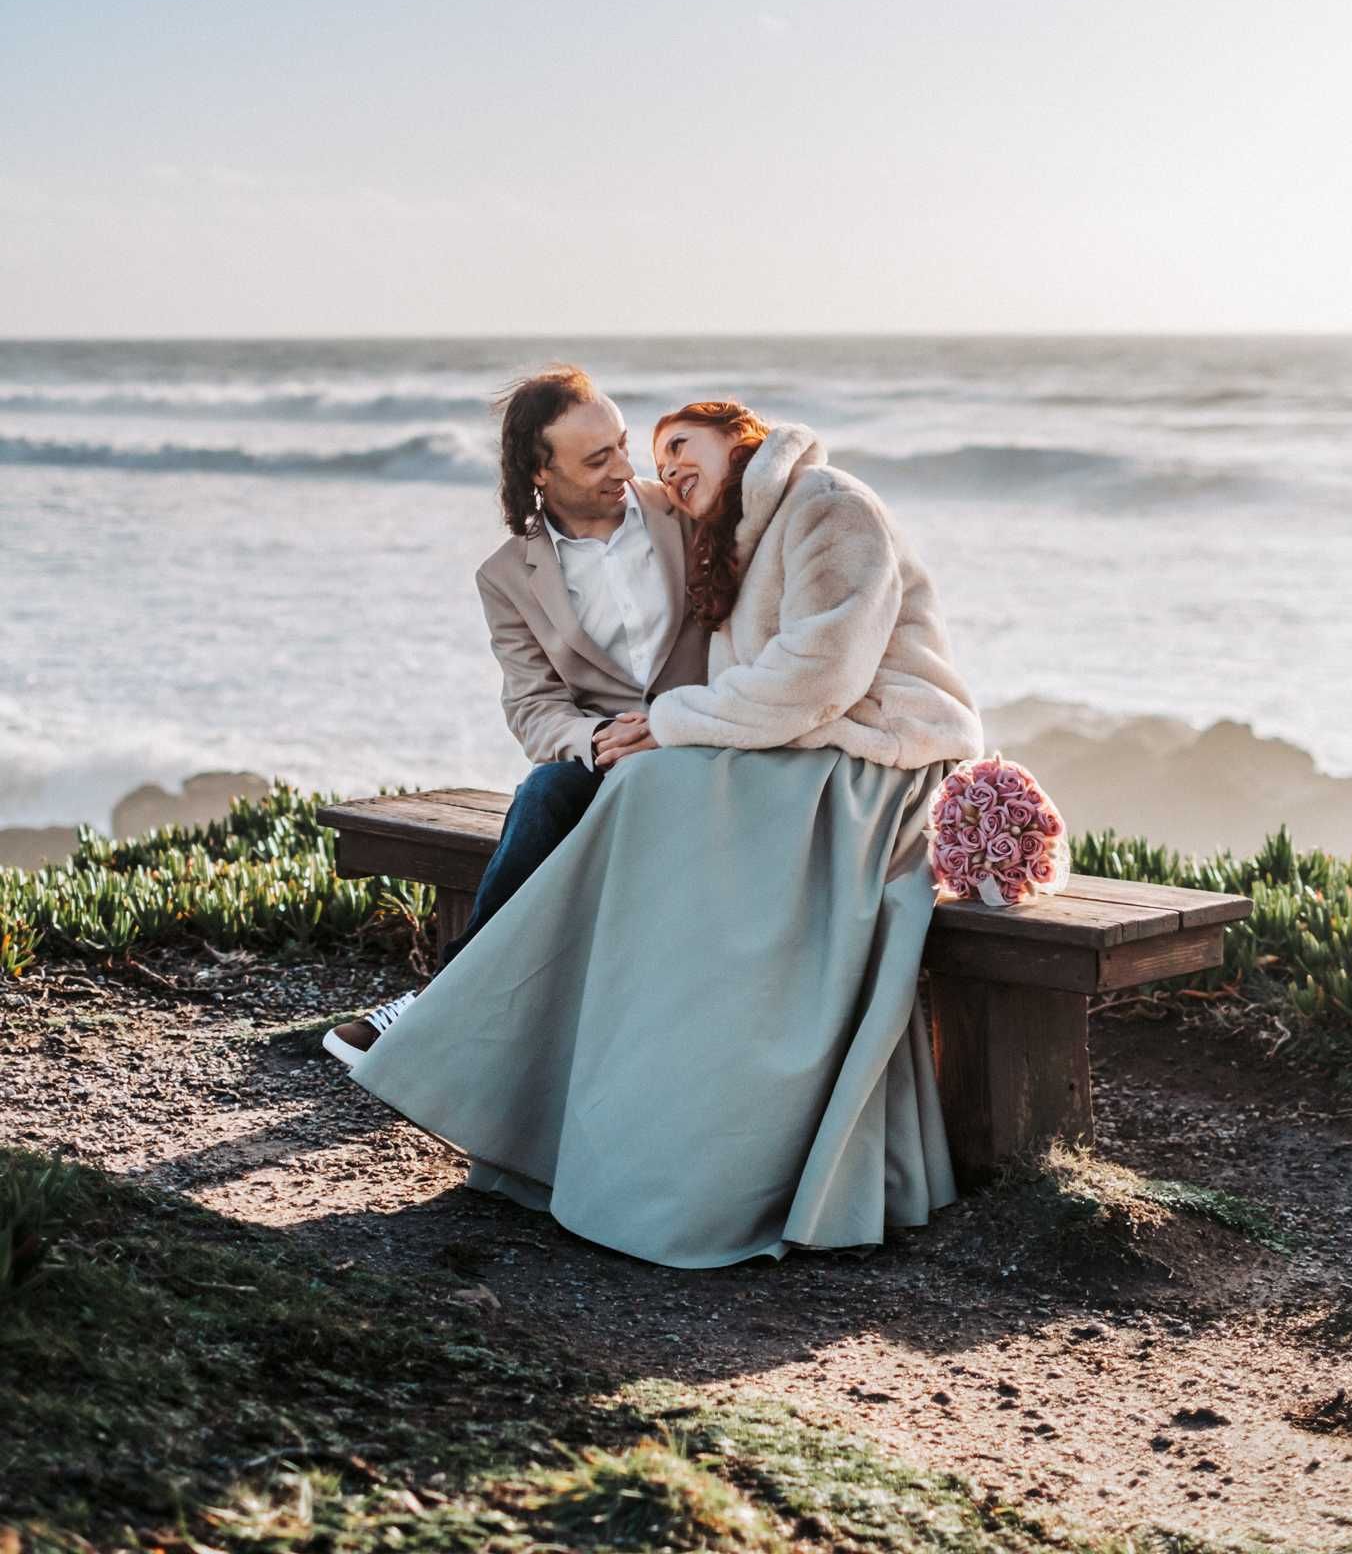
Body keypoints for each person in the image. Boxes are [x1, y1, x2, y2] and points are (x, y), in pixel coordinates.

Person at [349, 400, 983, 1267]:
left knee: (651, 791)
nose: (657, 469)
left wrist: (671, 722)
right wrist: (625, 737)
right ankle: (510, 1077)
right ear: (541, 474)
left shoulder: (827, 503)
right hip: (782, 750)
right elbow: (540, 705)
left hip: (875, 761)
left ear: (739, 435)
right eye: (644, 457)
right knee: (600, 790)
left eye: (674, 446)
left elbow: (819, 673)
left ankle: (557, 1081)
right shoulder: (718, 537)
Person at [323, 364, 706, 1065]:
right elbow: (532, 705)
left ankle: (439, 1005)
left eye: (622, 443)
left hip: (715, 741)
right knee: (548, 791)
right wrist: (598, 738)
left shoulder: (686, 513)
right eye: (597, 458)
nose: (625, 467)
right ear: (539, 470)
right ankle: (450, 1008)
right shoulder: (505, 577)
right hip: (611, 765)